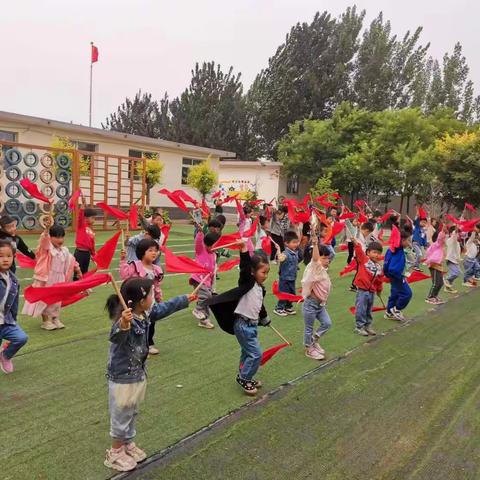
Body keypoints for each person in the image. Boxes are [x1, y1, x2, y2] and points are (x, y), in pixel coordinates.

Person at [104, 277, 194, 472]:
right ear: (140, 300)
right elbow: (116, 336)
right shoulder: (125, 320)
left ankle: (127, 443)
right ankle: (115, 452)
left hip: (137, 373)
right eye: (151, 293)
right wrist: (124, 325)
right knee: (121, 413)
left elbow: (163, 309)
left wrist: (185, 299)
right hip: (122, 377)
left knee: (131, 410)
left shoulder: (145, 313)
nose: (154, 297)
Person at [206, 240, 271, 396]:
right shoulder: (247, 283)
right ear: (252, 272)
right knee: (256, 354)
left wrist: (265, 318)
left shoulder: (260, 289)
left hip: (252, 326)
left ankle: (246, 376)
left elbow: (259, 306)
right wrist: (243, 249)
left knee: (247, 353)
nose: (266, 276)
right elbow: (244, 268)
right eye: (263, 272)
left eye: (267, 272)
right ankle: (244, 378)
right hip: (242, 325)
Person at [22, 220, 82, 330]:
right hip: (47, 278)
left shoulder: (64, 251)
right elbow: (44, 241)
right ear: (50, 237)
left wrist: (78, 270)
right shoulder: (47, 249)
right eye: (57, 237)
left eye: (62, 237)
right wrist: (46, 230)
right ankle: (46, 321)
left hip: (59, 278)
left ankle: (55, 318)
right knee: (45, 299)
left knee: (57, 300)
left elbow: (72, 261)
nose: (60, 240)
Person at [120, 239, 164, 355]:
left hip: (151, 302)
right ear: (142, 252)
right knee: (136, 324)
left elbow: (156, 286)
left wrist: (159, 297)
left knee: (151, 323)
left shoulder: (156, 269)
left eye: (156, 250)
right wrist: (123, 260)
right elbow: (125, 276)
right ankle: (135, 345)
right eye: (150, 250)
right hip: (137, 304)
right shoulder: (135, 265)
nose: (154, 253)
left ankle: (148, 344)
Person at [301, 235, 332, 360]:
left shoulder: (323, 270)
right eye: (324, 258)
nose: (327, 260)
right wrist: (315, 244)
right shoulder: (315, 267)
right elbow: (315, 259)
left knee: (327, 323)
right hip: (311, 304)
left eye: (327, 258)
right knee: (309, 328)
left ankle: (313, 341)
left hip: (320, 305)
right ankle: (309, 349)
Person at [0, 240, 27, 374]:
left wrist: (13, 319)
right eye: (1, 256)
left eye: (8, 256)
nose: (5, 259)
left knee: (21, 337)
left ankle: (5, 355)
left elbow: (14, 302)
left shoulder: (14, 280)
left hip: (6, 321)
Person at [352, 239, 384, 336]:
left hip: (372, 291)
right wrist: (356, 244)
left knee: (369, 309)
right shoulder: (363, 260)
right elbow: (359, 251)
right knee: (361, 308)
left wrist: (379, 290)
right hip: (362, 290)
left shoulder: (379, 267)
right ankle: (359, 327)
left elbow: (379, 280)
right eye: (374, 252)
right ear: (368, 252)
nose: (376, 255)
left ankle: (368, 325)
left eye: (378, 253)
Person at [190, 231, 220, 329]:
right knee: (205, 296)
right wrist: (200, 233)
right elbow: (198, 243)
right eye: (213, 246)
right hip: (198, 278)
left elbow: (212, 270)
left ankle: (204, 320)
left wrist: (212, 284)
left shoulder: (214, 255)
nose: (215, 248)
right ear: (206, 244)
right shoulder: (201, 250)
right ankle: (197, 309)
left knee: (208, 299)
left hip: (207, 280)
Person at [383, 230, 413, 321]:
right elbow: (393, 268)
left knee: (395, 293)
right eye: (408, 240)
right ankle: (396, 310)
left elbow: (386, 264)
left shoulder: (393, 248)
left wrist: (388, 274)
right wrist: (399, 276)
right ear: (402, 240)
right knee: (407, 293)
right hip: (397, 277)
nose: (408, 242)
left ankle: (389, 312)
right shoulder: (398, 251)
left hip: (393, 277)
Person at [273, 231, 302, 317]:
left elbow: (295, 263)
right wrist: (278, 250)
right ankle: (279, 308)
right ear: (286, 243)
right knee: (284, 293)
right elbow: (281, 258)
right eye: (293, 242)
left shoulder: (295, 253)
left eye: (296, 242)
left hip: (292, 277)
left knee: (291, 293)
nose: (296, 244)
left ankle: (288, 307)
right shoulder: (286, 253)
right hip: (285, 278)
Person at [74, 196, 96, 275]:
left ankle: (83, 286)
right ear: (85, 218)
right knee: (77, 273)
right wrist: (83, 205)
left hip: (87, 254)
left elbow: (92, 243)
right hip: (79, 253)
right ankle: (76, 286)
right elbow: (80, 217)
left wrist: (93, 254)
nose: (94, 220)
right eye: (92, 218)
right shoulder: (81, 226)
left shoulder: (91, 230)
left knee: (85, 272)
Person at [444, 226, 461, 294]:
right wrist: (455, 231)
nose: (458, 235)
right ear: (452, 233)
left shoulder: (457, 242)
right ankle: (446, 279)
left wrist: (458, 259)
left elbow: (457, 252)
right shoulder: (450, 240)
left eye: (458, 233)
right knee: (456, 273)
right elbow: (453, 237)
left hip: (455, 260)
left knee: (457, 273)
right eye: (457, 233)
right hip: (450, 260)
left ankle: (448, 288)